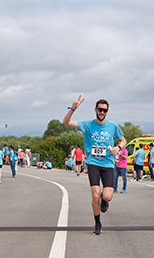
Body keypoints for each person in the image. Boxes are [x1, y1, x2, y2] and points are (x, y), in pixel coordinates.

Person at [62, 95, 126, 235]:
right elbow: (66, 122)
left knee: (107, 196)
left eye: (104, 110)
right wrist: (73, 108)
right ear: (95, 110)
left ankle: (105, 200)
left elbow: (123, 140)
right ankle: (97, 223)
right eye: (99, 109)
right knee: (95, 195)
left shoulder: (113, 126)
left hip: (108, 164)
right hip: (93, 164)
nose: (102, 112)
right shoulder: (87, 124)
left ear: (107, 112)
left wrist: (118, 148)